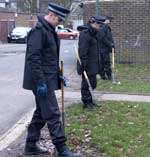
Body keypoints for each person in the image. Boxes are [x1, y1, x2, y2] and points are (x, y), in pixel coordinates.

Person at [23, 3, 81, 157]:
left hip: (48, 78)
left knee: (42, 113)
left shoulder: (50, 31)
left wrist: (58, 75)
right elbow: (33, 58)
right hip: (40, 81)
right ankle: (62, 149)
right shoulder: (38, 31)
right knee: (53, 113)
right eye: (60, 20)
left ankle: (30, 145)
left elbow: (50, 58)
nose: (60, 23)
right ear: (52, 15)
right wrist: (41, 82)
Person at [77, 16, 105, 110]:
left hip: (94, 64)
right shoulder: (85, 34)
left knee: (92, 83)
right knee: (86, 85)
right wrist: (83, 66)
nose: (100, 28)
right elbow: (82, 51)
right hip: (87, 65)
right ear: (95, 23)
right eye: (100, 25)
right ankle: (86, 103)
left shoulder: (94, 34)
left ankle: (91, 101)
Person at [98, 16, 115, 80]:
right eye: (110, 20)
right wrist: (110, 44)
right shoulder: (103, 27)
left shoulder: (106, 27)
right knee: (105, 62)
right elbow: (103, 38)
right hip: (103, 49)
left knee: (105, 62)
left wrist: (112, 45)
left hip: (105, 49)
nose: (110, 22)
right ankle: (106, 76)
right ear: (107, 20)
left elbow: (108, 37)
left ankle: (106, 76)